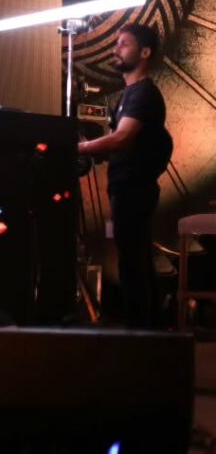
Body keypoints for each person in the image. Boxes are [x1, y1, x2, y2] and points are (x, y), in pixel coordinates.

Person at [78, 24, 173, 328]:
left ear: (144, 52)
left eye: (124, 44)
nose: (115, 49)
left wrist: (81, 148)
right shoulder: (131, 94)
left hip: (134, 189)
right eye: (116, 43)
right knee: (137, 259)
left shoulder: (142, 93)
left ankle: (140, 334)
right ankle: (150, 331)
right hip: (127, 187)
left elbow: (122, 137)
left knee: (132, 262)